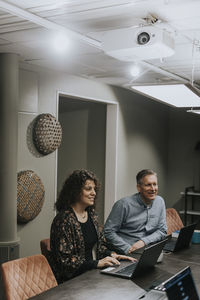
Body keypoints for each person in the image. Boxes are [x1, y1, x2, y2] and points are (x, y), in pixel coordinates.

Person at [49, 169, 135, 283]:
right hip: (72, 281)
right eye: (88, 189)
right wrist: (97, 263)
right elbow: (65, 262)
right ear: (75, 191)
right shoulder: (63, 220)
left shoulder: (91, 215)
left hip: (92, 273)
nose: (94, 193)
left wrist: (113, 255)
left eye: (94, 189)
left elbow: (99, 247)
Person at [104, 169, 167, 255]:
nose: (153, 189)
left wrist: (143, 242)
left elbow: (162, 230)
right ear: (139, 188)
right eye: (148, 185)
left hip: (150, 249)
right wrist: (128, 249)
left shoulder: (160, 201)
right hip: (126, 251)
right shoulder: (123, 204)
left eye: (155, 184)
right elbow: (108, 232)